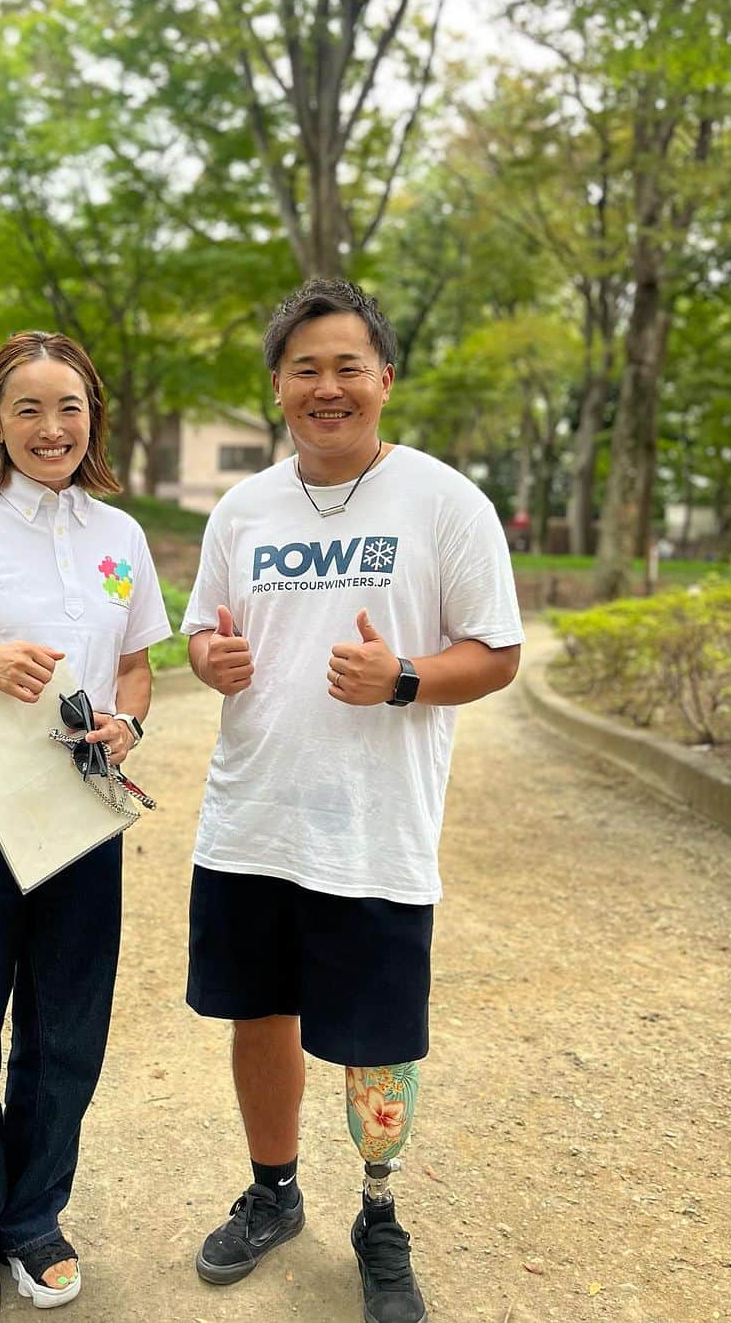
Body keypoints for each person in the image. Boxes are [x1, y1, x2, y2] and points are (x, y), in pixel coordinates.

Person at [180, 280, 524, 1323]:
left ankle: (379, 1214)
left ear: (383, 379)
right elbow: (200, 631)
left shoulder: (442, 500)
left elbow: (498, 654)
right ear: (278, 386)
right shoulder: (243, 508)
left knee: (375, 1034)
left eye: (347, 366)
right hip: (250, 820)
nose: (326, 387)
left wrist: (406, 678)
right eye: (304, 368)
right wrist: (213, 657)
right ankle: (274, 1191)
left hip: (375, 825)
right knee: (260, 1012)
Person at [0, 331, 171, 1321]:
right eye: (29, 410)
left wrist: (129, 719)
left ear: (93, 417)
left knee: (65, 1024)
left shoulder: (119, 537)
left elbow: (139, 661)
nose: (52, 429)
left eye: (70, 408)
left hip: (80, 790)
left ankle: (34, 1221)